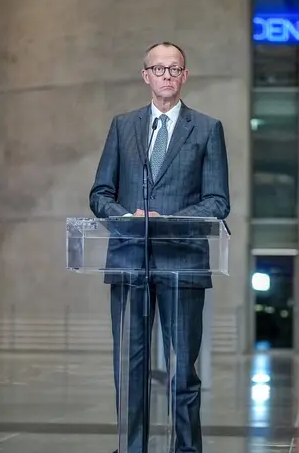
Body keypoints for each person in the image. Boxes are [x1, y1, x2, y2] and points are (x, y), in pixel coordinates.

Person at [89, 41, 230, 453]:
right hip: (130, 262)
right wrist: (127, 217)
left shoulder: (207, 128)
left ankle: (186, 449)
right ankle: (132, 447)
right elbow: (100, 193)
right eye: (159, 69)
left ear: (185, 76)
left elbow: (218, 201)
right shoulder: (123, 125)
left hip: (182, 264)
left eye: (175, 69)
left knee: (182, 370)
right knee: (130, 370)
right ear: (145, 75)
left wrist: (167, 222)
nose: (167, 76)